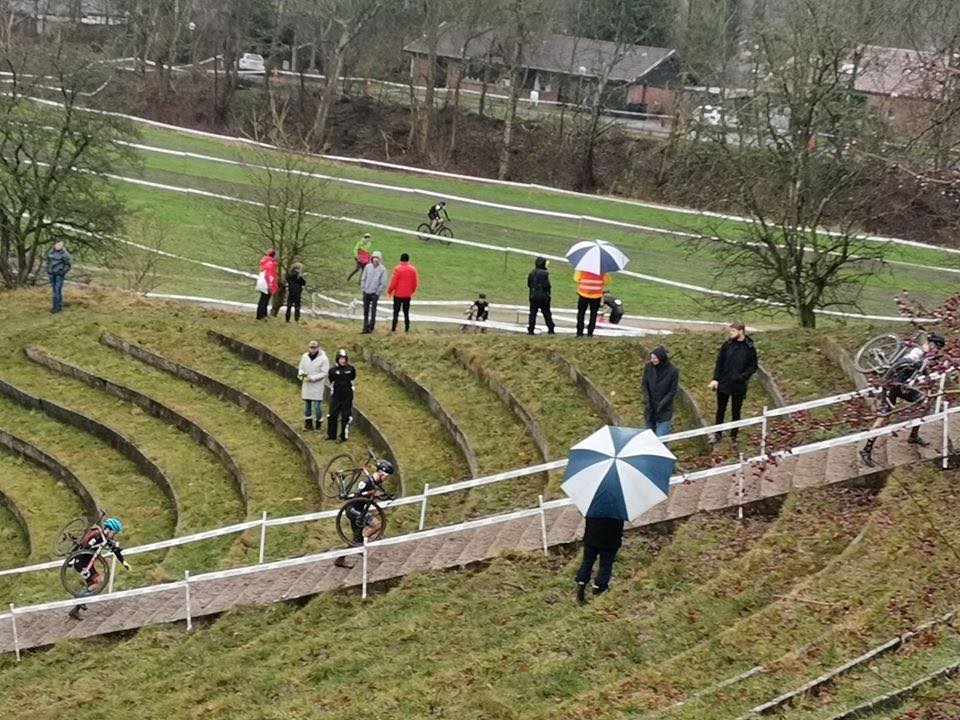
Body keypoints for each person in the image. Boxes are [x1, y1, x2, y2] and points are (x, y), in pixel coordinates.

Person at [859, 333, 945, 467]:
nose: (936, 351)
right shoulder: (917, 352)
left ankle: (913, 435)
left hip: (902, 387)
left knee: (925, 402)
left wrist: (928, 384)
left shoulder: (925, 357)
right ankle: (866, 450)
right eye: (936, 348)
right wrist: (913, 363)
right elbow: (901, 363)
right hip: (891, 387)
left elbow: (923, 371)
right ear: (931, 345)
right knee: (883, 418)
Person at [334, 459, 395, 567]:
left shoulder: (377, 482)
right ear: (381, 473)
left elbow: (373, 494)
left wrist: (382, 496)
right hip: (353, 510)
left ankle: (340, 559)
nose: (387, 478)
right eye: (387, 476)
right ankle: (361, 543)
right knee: (377, 524)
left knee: (356, 538)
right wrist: (373, 493)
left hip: (360, 510)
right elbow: (358, 495)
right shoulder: (366, 482)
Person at [67, 517, 130, 619]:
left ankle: (75, 610)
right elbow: (84, 546)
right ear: (108, 530)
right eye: (114, 533)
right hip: (81, 561)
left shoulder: (106, 539)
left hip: (87, 563)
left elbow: (116, 551)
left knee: (94, 585)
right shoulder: (97, 535)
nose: (114, 536)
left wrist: (124, 562)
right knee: (98, 582)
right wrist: (72, 559)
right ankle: (80, 597)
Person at [709, 321, 758, 444]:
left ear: (741, 331)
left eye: (733, 331)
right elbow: (719, 363)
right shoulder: (727, 345)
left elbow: (753, 366)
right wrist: (715, 378)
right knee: (720, 410)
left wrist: (743, 377)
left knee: (736, 411)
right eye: (730, 331)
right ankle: (718, 434)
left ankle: (734, 436)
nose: (730, 333)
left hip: (738, 384)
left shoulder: (749, 347)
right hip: (724, 382)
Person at [575, 515, 624, 604]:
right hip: (610, 541)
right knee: (606, 565)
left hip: (591, 538)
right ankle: (599, 588)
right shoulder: (619, 509)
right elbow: (619, 529)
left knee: (587, 561)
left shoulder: (594, 504)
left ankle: (581, 582)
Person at [642, 346, 679, 436]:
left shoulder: (673, 370)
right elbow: (644, 385)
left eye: (654, 358)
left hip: (664, 410)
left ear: (661, 357)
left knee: (661, 439)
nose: (652, 360)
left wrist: (662, 404)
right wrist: (647, 400)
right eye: (651, 358)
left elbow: (672, 390)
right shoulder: (648, 367)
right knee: (648, 437)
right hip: (650, 409)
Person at [298, 340, 329, 431]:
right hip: (307, 384)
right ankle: (308, 424)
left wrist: (313, 378)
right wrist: (303, 377)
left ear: (318, 348)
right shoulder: (304, 356)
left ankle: (318, 425)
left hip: (317, 385)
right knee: (307, 405)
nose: (313, 349)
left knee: (316, 405)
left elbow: (324, 373)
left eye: (314, 348)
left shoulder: (324, 359)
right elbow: (301, 369)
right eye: (311, 347)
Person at [327, 349, 356, 443]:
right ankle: (331, 435)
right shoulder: (332, 370)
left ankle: (343, 436)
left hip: (347, 396)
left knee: (345, 416)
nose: (343, 360)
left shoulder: (350, 369)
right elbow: (331, 380)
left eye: (344, 358)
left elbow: (352, 377)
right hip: (336, 396)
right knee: (332, 415)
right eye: (341, 358)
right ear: (337, 359)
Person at [387, 252, 419, 333]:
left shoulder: (397, 269)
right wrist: (412, 291)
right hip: (407, 295)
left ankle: (393, 329)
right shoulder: (413, 269)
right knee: (406, 312)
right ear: (408, 260)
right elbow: (415, 283)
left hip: (398, 294)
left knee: (396, 312)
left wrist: (390, 291)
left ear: (400, 260)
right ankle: (407, 329)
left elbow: (393, 282)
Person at [574, 269, 610, 337]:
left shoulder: (582, 268)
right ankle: (590, 333)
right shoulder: (602, 269)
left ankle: (579, 332)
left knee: (581, 313)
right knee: (593, 315)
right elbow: (606, 281)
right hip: (596, 295)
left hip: (583, 294)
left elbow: (576, 279)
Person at [360, 250, 387, 334]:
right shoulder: (368, 267)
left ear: (380, 259)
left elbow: (383, 283)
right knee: (365, 311)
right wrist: (363, 289)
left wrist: (377, 293)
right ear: (372, 258)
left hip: (374, 294)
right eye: (374, 258)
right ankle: (365, 327)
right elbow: (363, 278)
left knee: (373, 311)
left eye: (377, 258)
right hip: (366, 292)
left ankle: (371, 328)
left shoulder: (382, 269)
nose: (376, 260)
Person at [527, 257, 555, 335]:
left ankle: (531, 330)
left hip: (533, 296)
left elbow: (529, 284)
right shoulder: (545, 273)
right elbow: (547, 285)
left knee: (532, 313)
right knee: (546, 313)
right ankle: (551, 329)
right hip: (543, 297)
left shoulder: (532, 272)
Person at [46, 240, 71, 314]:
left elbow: (68, 265)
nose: (58, 246)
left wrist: (62, 272)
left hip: (59, 275)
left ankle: (56, 308)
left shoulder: (65, 254)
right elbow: (48, 262)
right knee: (54, 291)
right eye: (57, 244)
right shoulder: (50, 252)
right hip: (51, 274)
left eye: (60, 244)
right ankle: (58, 306)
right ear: (54, 245)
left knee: (57, 291)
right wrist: (48, 270)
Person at [256, 248, 279, 320]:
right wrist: (270, 284)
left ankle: (262, 314)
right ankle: (261, 315)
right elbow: (269, 275)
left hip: (262, 283)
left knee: (263, 299)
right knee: (265, 299)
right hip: (267, 283)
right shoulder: (270, 264)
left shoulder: (265, 262)